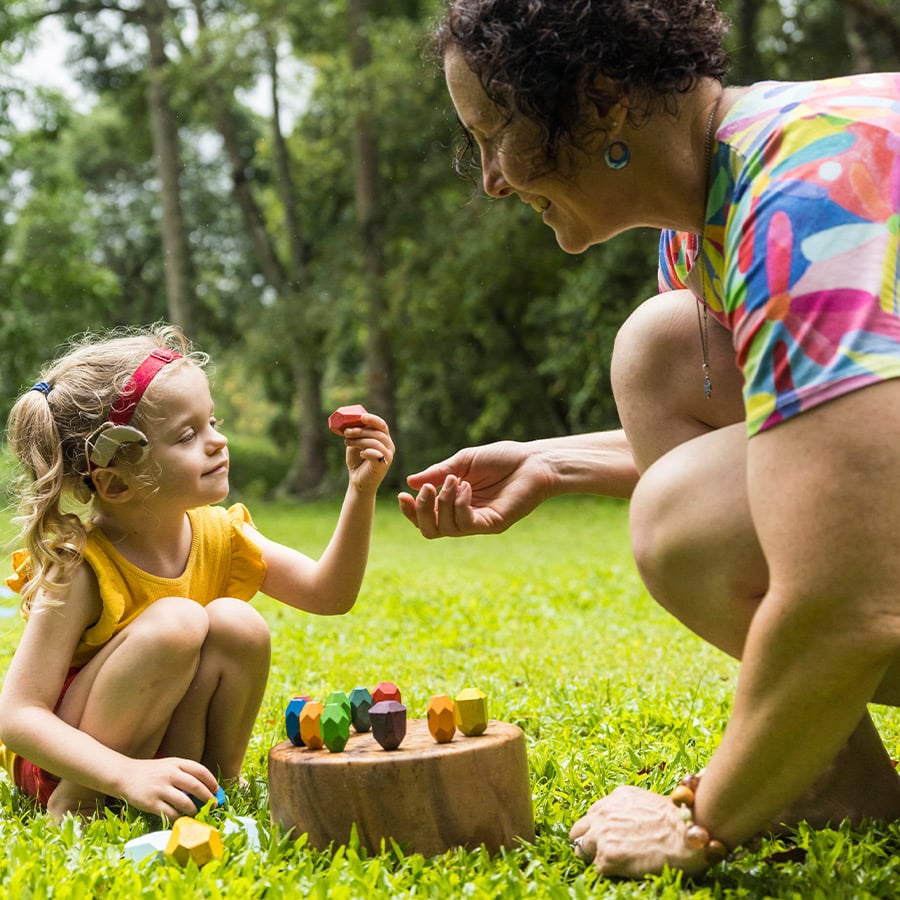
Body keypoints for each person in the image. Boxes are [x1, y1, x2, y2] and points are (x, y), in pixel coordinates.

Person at [398, 0, 900, 879]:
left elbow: (847, 595)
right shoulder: (707, 220)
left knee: (680, 518)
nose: (491, 180)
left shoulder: (807, 192)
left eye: (494, 135)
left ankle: (785, 764)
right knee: (664, 351)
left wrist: (701, 824)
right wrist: (555, 462)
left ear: (601, 102)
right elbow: (828, 443)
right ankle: (836, 777)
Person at [0, 323, 394, 821]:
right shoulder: (81, 567)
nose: (218, 441)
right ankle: (77, 802)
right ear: (115, 483)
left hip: (157, 743)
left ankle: (215, 780)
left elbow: (329, 594)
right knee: (178, 621)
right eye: (188, 435)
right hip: (72, 761)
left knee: (237, 622)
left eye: (212, 421)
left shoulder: (219, 535)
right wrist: (121, 774)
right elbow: (18, 716)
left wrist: (360, 491)